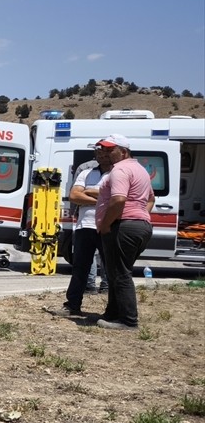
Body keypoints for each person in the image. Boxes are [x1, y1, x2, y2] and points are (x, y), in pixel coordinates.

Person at [95, 134, 154, 330]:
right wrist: (140, 214)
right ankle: (112, 314)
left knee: (120, 273)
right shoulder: (140, 170)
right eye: (104, 149)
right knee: (115, 272)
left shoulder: (120, 170)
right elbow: (151, 198)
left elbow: (118, 200)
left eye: (111, 149)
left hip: (123, 226)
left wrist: (106, 223)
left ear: (124, 151)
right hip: (139, 226)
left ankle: (128, 321)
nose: (106, 153)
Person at [47, 154, 108, 318]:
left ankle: (114, 310)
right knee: (80, 268)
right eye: (99, 151)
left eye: (106, 151)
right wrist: (102, 199)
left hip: (107, 227)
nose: (101, 155)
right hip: (84, 226)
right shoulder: (86, 172)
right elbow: (74, 196)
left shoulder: (117, 175)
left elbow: (117, 198)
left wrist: (88, 195)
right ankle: (72, 305)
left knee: (111, 269)